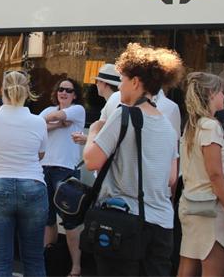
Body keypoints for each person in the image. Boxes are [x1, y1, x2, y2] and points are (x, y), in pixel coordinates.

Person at [83, 44, 183, 276]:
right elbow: (171, 179)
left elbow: (92, 161)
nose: (120, 86)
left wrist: (93, 132)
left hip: (124, 222)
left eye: (123, 80)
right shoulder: (167, 125)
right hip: (162, 226)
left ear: (136, 82)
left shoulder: (123, 115)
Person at [0, 70, 48, 277]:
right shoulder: (38, 121)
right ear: (27, 91)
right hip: (33, 186)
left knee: (0, 259)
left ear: (2, 90)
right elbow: (40, 154)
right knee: (34, 259)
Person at [177, 72, 224, 277]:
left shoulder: (192, 125)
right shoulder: (211, 126)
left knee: (186, 268)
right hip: (210, 209)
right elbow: (215, 175)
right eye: (221, 92)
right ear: (211, 93)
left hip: (190, 204)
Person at [39, 78, 85, 277]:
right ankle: (47, 262)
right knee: (47, 219)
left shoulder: (78, 110)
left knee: (70, 222)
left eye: (68, 90)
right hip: (44, 169)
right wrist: (58, 125)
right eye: (60, 89)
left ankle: (76, 267)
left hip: (65, 171)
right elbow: (37, 125)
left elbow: (54, 116)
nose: (63, 93)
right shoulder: (48, 110)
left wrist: (52, 120)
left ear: (75, 95)